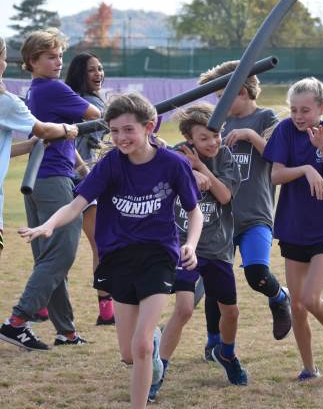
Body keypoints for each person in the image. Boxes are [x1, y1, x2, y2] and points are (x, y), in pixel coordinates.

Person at [17, 92, 203, 409]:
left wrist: (191, 244)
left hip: (158, 256)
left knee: (140, 345)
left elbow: (194, 211)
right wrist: (49, 224)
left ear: (149, 127)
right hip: (117, 259)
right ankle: (152, 346)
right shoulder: (110, 165)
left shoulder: (173, 164)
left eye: (128, 129)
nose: (120, 137)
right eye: (114, 131)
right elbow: (76, 205)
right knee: (130, 354)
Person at [0, 29, 100, 350]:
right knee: (62, 252)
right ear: (31, 61)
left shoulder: (34, 91)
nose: (58, 62)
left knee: (49, 257)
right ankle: (17, 321)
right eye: (50, 57)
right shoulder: (53, 88)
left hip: (38, 179)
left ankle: (66, 332)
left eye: (60, 56)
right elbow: (95, 114)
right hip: (53, 178)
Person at [198, 61, 291, 362]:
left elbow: (280, 157)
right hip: (221, 220)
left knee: (256, 274)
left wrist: (251, 137)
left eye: (223, 95)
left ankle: (279, 298)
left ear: (242, 90)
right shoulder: (218, 124)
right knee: (216, 285)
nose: (219, 103)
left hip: (255, 214)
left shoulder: (266, 117)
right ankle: (214, 342)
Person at [263, 77, 323, 380]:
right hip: (292, 227)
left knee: (309, 299)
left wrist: (322, 152)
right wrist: (306, 169)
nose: (299, 117)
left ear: (322, 108)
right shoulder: (285, 130)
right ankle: (308, 368)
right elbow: (275, 176)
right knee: (298, 307)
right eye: (294, 110)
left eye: (306, 110)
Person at [154, 103, 246, 400]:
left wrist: (202, 168)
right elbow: (163, 162)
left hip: (218, 248)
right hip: (185, 246)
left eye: (216, 135)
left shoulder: (226, 157)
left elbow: (225, 195)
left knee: (230, 311)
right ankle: (159, 370)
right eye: (204, 138)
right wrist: (189, 172)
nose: (213, 142)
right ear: (189, 139)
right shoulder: (178, 153)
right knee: (183, 308)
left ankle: (228, 355)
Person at [0, 36, 78, 257]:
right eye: (4, 58)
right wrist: (66, 130)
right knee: (57, 255)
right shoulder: (6, 101)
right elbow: (43, 130)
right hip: (54, 173)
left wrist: (29, 146)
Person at [65, 52, 114, 325]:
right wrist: (85, 170)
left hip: (87, 180)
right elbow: (68, 143)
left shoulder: (93, 101)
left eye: (101, 68)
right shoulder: (80, 103)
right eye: (92, 70)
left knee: (84, 245)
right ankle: (106, 311)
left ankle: (106, 311)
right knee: (99, 244)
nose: (98, 74)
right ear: (79, 74)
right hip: (80, 180)